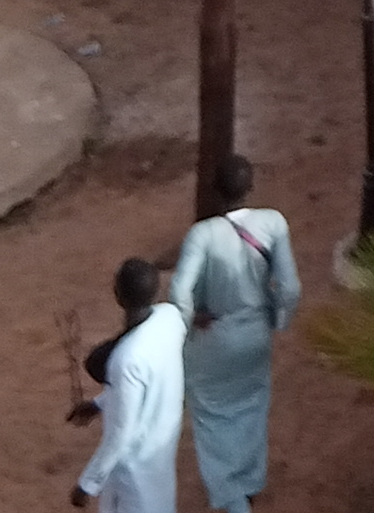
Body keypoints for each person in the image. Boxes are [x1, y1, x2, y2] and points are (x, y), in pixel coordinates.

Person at [174, 156, 301, 511]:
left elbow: (179, 293)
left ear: (216, 191)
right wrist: (279, 321)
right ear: (250, 187)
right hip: (256, 333)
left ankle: (231, 497)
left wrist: (188, 324)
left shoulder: (202, 234)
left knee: (212, 416)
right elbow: (290, 289)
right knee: (252, 406)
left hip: (214, 337)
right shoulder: (273, 223)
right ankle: (249, 482)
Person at [76, 257, 187, 513]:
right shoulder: (171, 318)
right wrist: (98, 404)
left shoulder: (125, 359)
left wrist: (87, 484)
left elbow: (120, 433)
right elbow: (145, 384)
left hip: (133, 472)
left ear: (117, 295)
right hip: (160, 454)